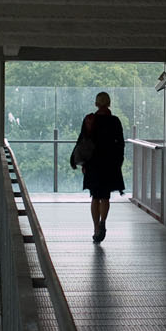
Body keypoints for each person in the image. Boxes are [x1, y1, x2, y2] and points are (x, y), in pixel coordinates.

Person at [70, 91, 126, 243]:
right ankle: (103, 222)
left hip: (93, 164)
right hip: (109, 164)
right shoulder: (115, 121)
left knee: (95, 197)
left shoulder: (90, 120)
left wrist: (79, 161)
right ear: (109, 104)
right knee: (105, 196)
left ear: (96, 104)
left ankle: (96, 228)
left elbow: (82, 141)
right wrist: (118, 162)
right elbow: (120, 143)